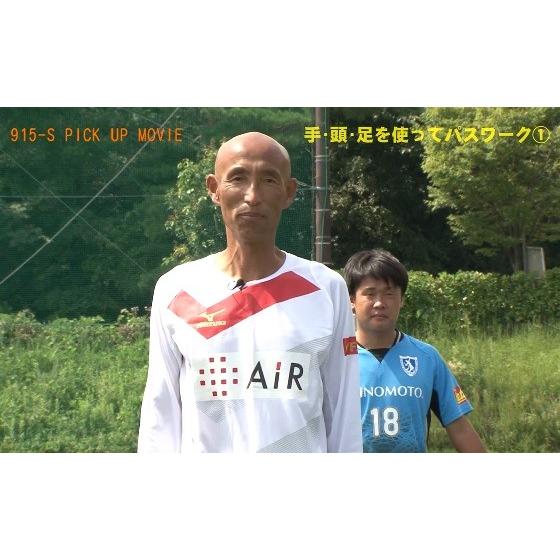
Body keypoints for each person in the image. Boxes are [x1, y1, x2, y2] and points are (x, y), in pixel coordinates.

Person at [138, 131, 362, 453]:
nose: (253, 196)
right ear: (214, 189)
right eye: (238, 178)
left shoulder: (326, 288)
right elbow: (161, 415)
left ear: (289, 192)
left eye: (269, 180)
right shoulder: (176, 290)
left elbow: (343, 417)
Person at [343, 249, 486, 453]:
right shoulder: (336, 359)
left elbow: (460, 429)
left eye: (389, 294)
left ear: (402, 299)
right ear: (351, 300)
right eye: (370, 294)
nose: (379, 303)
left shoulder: (427, 358)